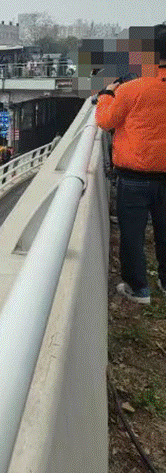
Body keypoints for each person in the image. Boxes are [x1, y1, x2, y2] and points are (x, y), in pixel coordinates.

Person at [95, 24, 166, 304]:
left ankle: (139, 289)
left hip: (134, 176)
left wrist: (105, 95)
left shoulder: (131, 89)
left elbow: (105, 121)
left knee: (133, 236)